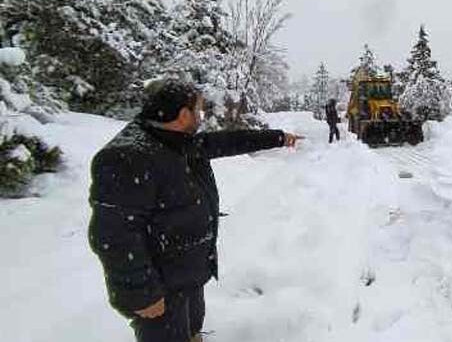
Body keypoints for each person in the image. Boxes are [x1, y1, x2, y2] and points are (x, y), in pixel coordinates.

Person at [88, 79, 302, 342]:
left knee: (191, 329)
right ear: (183, 115)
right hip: (160, 287)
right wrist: (142, 293)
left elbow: (227, 141)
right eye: (199, 110)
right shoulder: (128, 157)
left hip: (187, 271)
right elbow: (112, 235)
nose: (202, 116)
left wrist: (277, 137)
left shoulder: (175, 139)